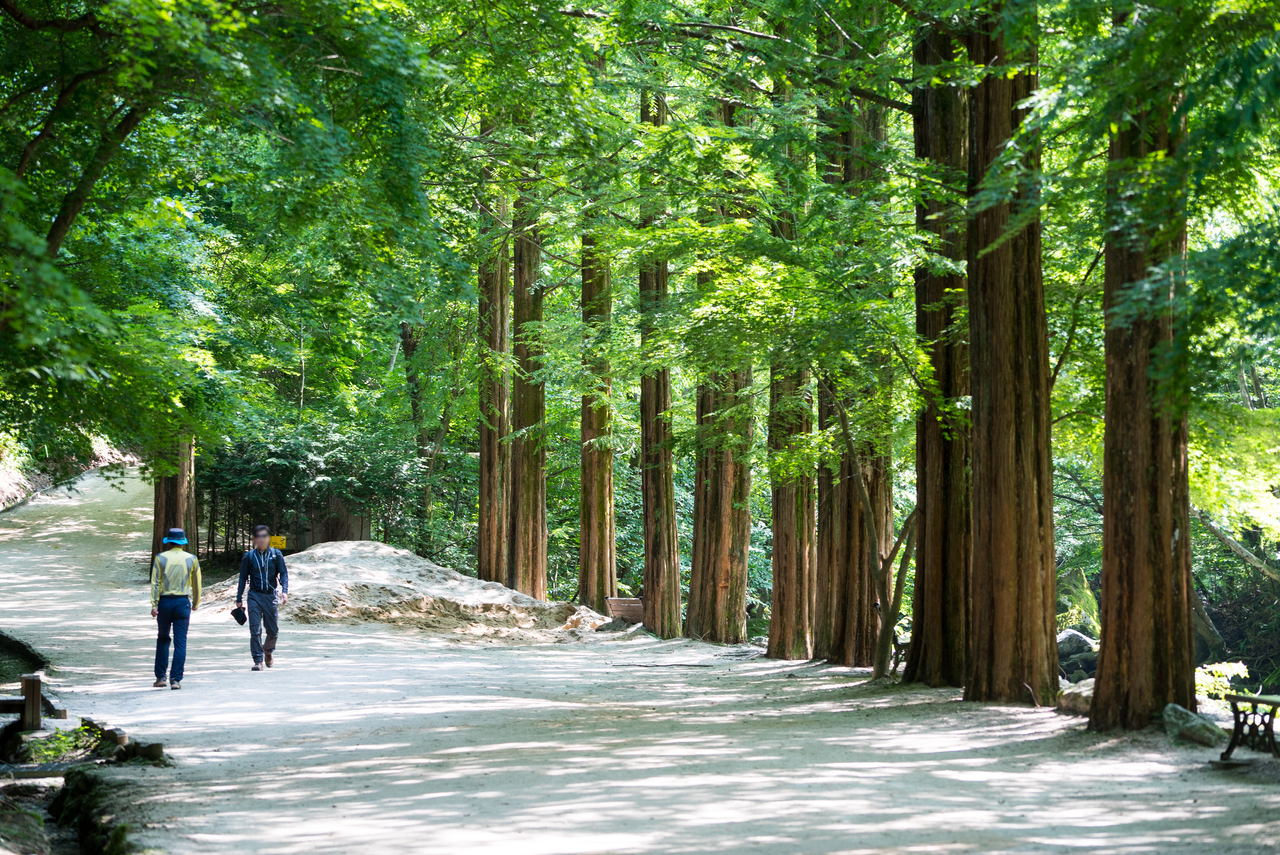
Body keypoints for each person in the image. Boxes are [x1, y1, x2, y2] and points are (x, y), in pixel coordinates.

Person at [151, 527, 201, 690]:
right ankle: (176, 679)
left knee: (163, 638)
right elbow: (197, 583)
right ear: (183, 543)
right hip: (182, 603)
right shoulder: (192, 559)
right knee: (181, 642)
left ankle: (160, 677)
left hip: (165, 603)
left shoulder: (161, 557)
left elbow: (156, 582)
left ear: (169, 542)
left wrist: (154, 604)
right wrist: (195, 603)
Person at [235, 525, 289, 671]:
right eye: (258, 536)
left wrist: (284, 591)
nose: (261, 539)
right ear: (255, 539)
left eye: (264, 536)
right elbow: (242, 578)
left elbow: (283, 573)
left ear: (269, 538)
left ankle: (268, 650)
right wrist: (239, 598)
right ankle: (257, 660)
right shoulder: (249, 556)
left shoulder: (276, 555)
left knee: (272, 630)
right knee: (255, 629)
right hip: (254, 595)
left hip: (270, 596)